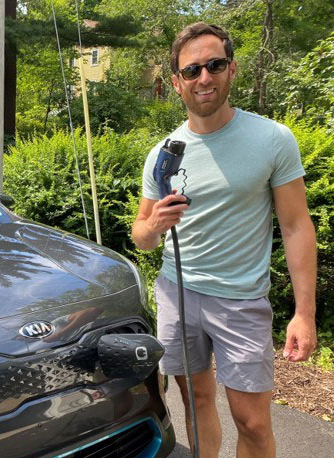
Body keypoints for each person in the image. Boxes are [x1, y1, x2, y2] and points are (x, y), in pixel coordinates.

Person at [131, 22, 317, 458]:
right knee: (195, 405)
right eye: (192, 70)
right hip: (177, 295)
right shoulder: (163, 152)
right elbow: (141, 237)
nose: (204, 78)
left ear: (231, 69)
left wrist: (304, 313)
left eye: (214, 65)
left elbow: (295, 226)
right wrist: (154, 225)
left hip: (241, 301)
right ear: (176, 82)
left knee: (252, 423)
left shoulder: (272, 139)